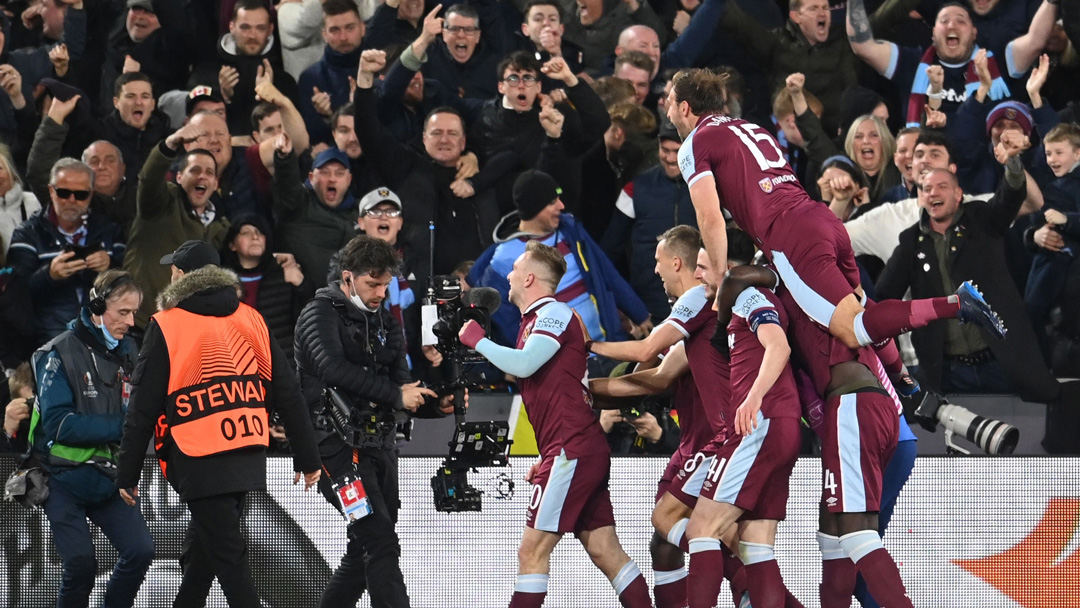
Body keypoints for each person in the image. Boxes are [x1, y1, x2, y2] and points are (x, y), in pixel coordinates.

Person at [665, 67, 1006, 379]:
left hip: (792, 237)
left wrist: (719, 275)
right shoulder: (751, 128)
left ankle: (956, 304)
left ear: (684, 107)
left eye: (668, 102)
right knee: (861, 306)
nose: (666, 111)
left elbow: (709, 217)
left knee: (852, 327)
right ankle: (903, 379)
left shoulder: (695, 143)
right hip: (821, 218)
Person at [115, 257, 321, 608]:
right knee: (203, 559)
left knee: (229, 562)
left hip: (198, 457)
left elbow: (142, 407)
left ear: (181, 274)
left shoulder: (167, 324)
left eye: (173, 269)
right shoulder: (251, 317)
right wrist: (307, 455)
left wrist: (127, 471)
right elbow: (288, 391)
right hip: (248, 452)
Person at [458, 240, 652, 608]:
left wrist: (478, 342)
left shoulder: (554, 313)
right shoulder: (535, 320)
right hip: (571, 448)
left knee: (531, 552)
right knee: (604, 549)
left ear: (530, 277)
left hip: (572, 447)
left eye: (514, 269)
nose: (509, 275)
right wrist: (549, 455)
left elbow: (525, 364)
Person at [294, 235, 455, 607]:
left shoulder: (384, 319)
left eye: (386, 284)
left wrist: (435, 404)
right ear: (348, 277)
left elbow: (401, 382)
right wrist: (398, 395)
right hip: (333, 447)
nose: (381, 292)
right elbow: (331, 368)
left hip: (379, 445)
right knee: (379, 538)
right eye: (372, 283)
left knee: (364, 546)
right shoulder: (319, 312)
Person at [591, 228, 746, 608]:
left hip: (718, 436)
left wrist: (584, 344)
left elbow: (647, 350)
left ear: (676, 261)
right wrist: (588, 390)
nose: (655, 270)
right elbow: (658, 376)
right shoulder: (695, 316)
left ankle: (752, 586)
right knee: (663, 544)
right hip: (698, 440)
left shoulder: (697, 298)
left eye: (658, 262)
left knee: (674, 523)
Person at [29, 270, 153, 607]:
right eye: (123, 312)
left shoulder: (130, 350)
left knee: (141, 551)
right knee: (81, 564)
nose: (130, 321)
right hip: (61, 479)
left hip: (110, 477)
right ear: (98, 307)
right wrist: (125, 426)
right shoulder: (56, 353)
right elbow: (59, 425)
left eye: (134, 312)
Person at [468, 170, 651, 362]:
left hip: (607, 346)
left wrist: (638, 312)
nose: (561, 206)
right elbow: (506, 320)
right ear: (534, 208)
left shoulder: (570, 230)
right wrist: (530, 359)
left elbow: (604, 270)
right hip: (562, 365)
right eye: (552, 202)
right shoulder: (505, 257)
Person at [123, 120, 231, 329]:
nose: (202, 176)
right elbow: (149, 179)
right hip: (141, 322)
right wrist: (170, 144)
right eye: (195, 170)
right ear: (179, 177)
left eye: (209, 172)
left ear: (215, 183)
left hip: (185, 327)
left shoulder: (221, 224)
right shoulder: (160, 204)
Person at [8, 158, 125, 345]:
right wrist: (49, 275)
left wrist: (109, 268)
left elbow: (129, 286)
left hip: (102, 339)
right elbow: (14, 295)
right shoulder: (28, 234)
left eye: (81, 194)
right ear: (51, 191)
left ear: (91, 194)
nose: (71, 200)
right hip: (47, 340)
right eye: (63, 193)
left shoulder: (109, 230)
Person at [601, 121, 697, 323]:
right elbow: (610, 249)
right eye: (665, 150)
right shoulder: (634, 189)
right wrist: (623, 303)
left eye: (677, 152)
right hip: (650, 306)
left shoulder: (708, 187)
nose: (671, 158)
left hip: (700, 299)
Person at [219, 214, 314, 366]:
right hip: (242, 369)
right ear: (232, 244)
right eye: (246, 232)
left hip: (286, 365)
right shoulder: (222, 285)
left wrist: (301, 285)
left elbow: (309, 318)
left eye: (259, 232)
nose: (255, 237)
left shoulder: (285, 272)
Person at [271, 135, 357, 288]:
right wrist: (285, 159)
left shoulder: (359, 214)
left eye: (339, 173)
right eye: (324, 172)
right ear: (311, 178)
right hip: (300, 298)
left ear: (349, 179)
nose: (332, 179)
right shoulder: (299, 205)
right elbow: (287, 186)